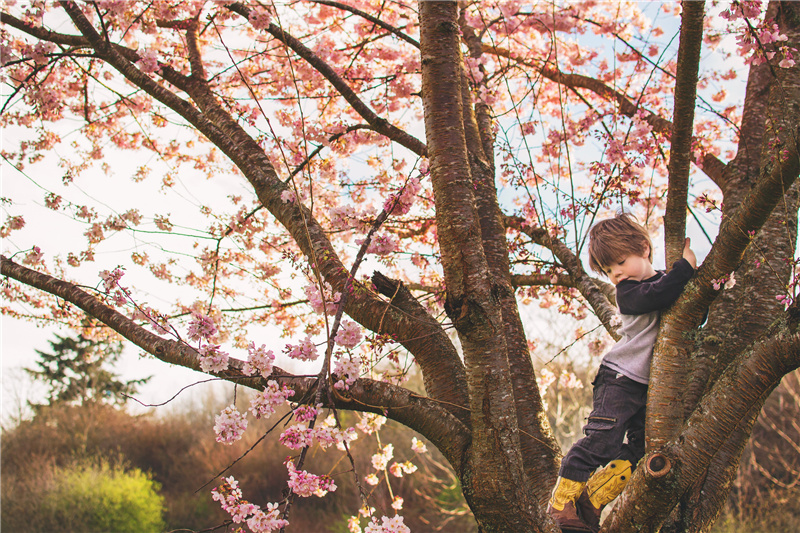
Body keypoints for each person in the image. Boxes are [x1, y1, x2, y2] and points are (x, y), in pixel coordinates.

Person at [547, 213, 697, 533]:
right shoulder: (629, 292)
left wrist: (689, 282)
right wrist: (685, 269)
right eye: (607, 270)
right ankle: (560, 506)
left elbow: (688, 307)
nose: (615, 273)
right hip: (620, 378)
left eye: (619, 262)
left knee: (645, 450)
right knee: (603, 440)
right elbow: (659, 294)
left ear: (643, 247)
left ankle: (593, 499)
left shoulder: (662, 281)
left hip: (647, 385)